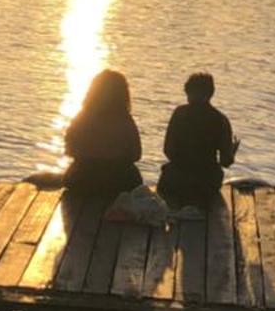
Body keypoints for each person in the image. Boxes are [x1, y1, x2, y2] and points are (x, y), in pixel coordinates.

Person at [158, 73, 239, 208]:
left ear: (188, 92)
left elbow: (168, 150)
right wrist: (232, 151)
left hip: (174, 181)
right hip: (205, 184)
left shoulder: (179, 113)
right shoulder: (220, 120)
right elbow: (225, 162)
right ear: (210, 94)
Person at [61, 68, 142, 201]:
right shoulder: (124, 119)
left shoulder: (82, 117)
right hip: (118, 182)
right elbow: (136, 154)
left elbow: (69, 149)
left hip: (82, 179)